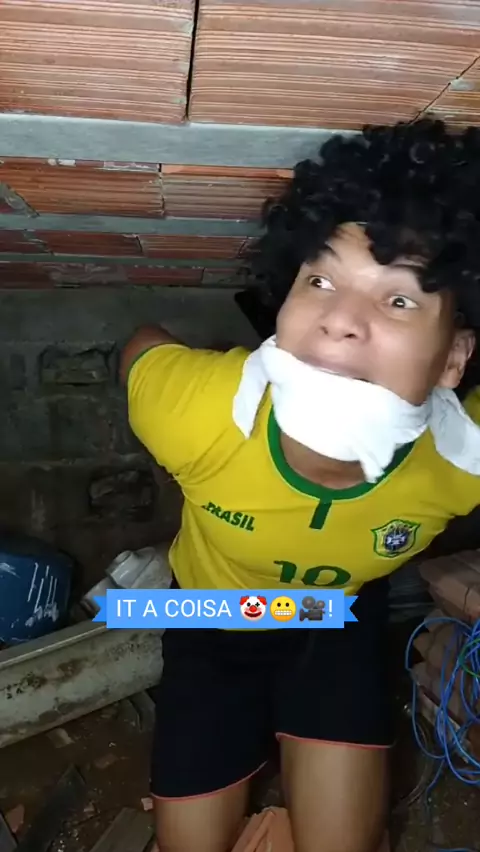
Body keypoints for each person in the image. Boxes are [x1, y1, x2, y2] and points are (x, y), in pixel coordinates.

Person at [121, 118, 480, 852]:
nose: (340, 320)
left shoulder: (463, 458)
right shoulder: (196, 411)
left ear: (454, 359)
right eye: (319, 279)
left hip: (333, 623)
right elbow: (141, 349)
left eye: (399, 300)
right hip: (209, 620)